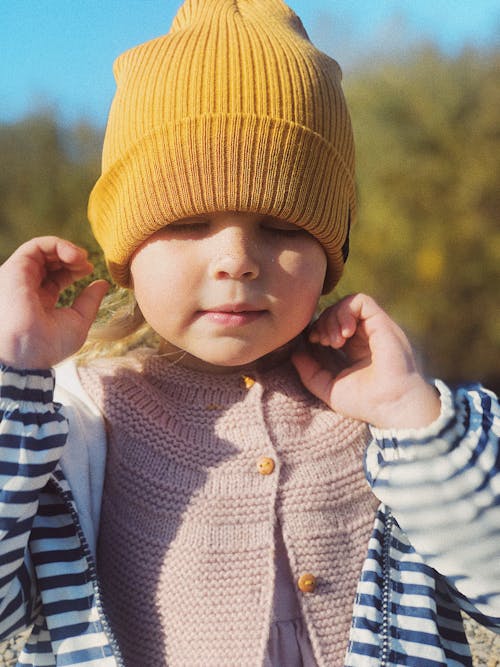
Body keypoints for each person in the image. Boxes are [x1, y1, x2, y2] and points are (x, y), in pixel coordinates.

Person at [0, 1, 498, 665]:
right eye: (188, 222)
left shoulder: (380, 406)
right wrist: (14, 372)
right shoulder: (79, 419)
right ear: (125, 251)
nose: (237, 258)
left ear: (331, 254)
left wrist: (414, 417)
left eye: (284, 226)